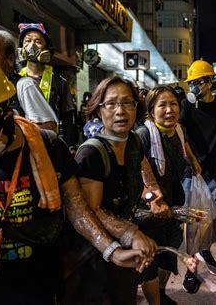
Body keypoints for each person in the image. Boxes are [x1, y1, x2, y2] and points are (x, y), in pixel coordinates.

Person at [0, 54, 154, 304]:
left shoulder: (47, 146)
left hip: (38, 282)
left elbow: (77, 208)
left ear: (1, 114)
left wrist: (111, 250)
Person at [74, 76, 167, 304]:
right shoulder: (92, 153)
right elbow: (91, 209)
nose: (120, 111)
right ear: (98, 110)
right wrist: (132, 233)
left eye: (127, 103)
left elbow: (146, 175)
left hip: (125, 248)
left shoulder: (133, 141)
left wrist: (154, 197)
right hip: (94, 254)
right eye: (111, 103)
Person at [136, 85, 202, 305]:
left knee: (168, 257)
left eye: (173, 104)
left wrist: (192, 160)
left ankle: (161, 294)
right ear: (151, 109)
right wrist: (151, 200)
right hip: (149, 213)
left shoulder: (178, 130)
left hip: (172, 208)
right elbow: (132, 175)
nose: (169, 110)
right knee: (150, 264)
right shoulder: (143, 136)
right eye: (162, 105)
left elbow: (184, 145)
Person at [179, 59, 216, 292]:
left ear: (210, 82)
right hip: (194, 172)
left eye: (199, 82)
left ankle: (205, 250)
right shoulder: (187, 105)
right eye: (192, 83)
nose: (195, 87)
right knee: (195, 221)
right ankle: (191, 269)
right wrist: (191, 159)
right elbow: (180, 132)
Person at [16, 23, 78, 150]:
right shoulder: (15, 81)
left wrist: (71, 146)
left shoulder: (59, 82)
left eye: (38, 41)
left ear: (47, 48)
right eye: (27, 41)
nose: (31, 46)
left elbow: (68, 119)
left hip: (51, 143)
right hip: (23, 145)